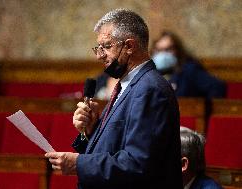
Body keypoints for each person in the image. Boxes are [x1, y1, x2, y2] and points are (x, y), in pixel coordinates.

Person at [45, 8, 183, 189]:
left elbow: (137, 163)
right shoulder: (127, 85)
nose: (99, 55)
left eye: (107, 46)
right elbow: (114, 147)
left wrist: (78, 164)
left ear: (129, 46)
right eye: (98, 47)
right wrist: (91, 130)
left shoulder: (149, 89)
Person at [151, 31, 226, 99]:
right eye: (159, 50)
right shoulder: (149, 73)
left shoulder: (190, 70)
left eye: (168, 49)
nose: (163, 54)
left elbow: (217, 87)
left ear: (178, 50)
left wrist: (202, 109)